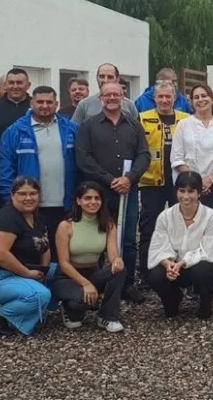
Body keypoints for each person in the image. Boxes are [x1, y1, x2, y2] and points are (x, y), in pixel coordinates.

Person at [75, 81, 150, 303]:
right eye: (107, 95)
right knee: (97, 238)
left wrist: (129, 178)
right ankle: (97, 285)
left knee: (127, 238)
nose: (111, 98)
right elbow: (83, 157)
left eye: (115, 94)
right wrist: (109, 180)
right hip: (99, 192)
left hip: (128, 190)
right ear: (100, 98)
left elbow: (144, 154)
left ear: (122, 97)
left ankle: (126, 285)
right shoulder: (89, 125)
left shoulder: (134, 125)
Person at [0, 86, 78, 259]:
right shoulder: (14, 132)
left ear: (56, 104)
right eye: (40, 102)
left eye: (49, 102)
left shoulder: (71, 129)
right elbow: (6, 169)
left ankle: (60, 284)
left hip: (64, 205)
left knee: (62, 252)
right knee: (33, 252)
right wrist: (9, 200)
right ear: (31, 103)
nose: (44, 106)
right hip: (30, 205)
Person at [0, 176, 53, 336]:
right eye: (22, 194)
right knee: (39, 294)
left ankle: (38, 312)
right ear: (12, 195)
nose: (28, 198)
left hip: (21, 271)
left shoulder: (37, 217)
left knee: (60, 272)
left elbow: (44, 247)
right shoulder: (7, 218)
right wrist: (28, 274)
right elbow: (0, 254)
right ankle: (0, 314)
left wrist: (44, 271)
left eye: (33, 193)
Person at [51, 181, 127, 332]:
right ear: (79, 201)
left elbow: (112, 254)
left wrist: (117, 260)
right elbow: (64, 263)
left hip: (92, 272)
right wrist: (85, 284)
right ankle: (68, 308)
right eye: (87, 198)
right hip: (68, 276)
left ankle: (107, 316)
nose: (93, 202)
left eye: (97, 198)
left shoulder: (108, 224)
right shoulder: (66, 226)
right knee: (80, 303)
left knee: (119, 270)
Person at [146, 171, 213, 320]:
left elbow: (208, 250)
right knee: (154, 275)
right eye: (182, 191)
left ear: (199, 193)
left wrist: (182, 263)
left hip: (197, 265)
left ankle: (205, 301)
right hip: (174, 266)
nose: (186, 196)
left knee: (204, 269)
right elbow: (158, 246)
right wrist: (168, 264)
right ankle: (173, 298)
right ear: (176, 192)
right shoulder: (165, 216)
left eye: (191, 191)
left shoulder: (211, 215)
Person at [137, 81, 190, 280]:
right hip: (152, 182)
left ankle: (181, 269)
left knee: (182, 227)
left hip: (179, 182)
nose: (165, 100)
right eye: (161, 97)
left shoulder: (185, 119)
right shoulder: (142, 118)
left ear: (175, 98)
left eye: (168, 96)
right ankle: (146, 272)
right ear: (155, 98)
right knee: (149, 228)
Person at [171, 84, 213, 238]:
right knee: (188, 229)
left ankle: (211, 262)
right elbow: (176, 158)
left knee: (212, 231)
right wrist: (197, 182)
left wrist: (210, 179)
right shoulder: (183, 125)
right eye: (196, 97)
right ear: (191, 101)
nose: (201, 100)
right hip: (189, 188)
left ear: (212, 99)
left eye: (204, 96)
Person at [0, 68, 32, 213]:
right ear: (5, 85)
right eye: (11, 83)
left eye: (19, 83)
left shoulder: (35, 106)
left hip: (29, 165)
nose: (15, 86)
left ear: (28, 85)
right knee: (2, 207)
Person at [70, 63, 139, 124]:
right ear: (97, 78)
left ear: (117, 79)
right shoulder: (84, 105)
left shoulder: (129, 105)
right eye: (102, 76)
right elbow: (73, 132)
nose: (105, 80)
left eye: (110, 77)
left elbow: (137, 131)